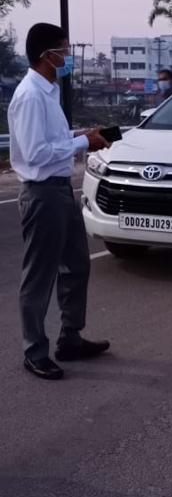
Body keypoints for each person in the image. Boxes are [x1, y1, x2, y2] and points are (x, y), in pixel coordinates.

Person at [8, 22, 111, 380]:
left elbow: (52, 139)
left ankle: (70, 338)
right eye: (64, 51)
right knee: (39, 276)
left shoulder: (48, 91)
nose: (68, 57)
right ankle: (34, 351)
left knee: (76, 265)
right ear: (46, 55)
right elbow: (36, 153)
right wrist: (83, 143)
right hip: (42, 193)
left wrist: (81, 135)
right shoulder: (30, 96)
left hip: (61, 189)